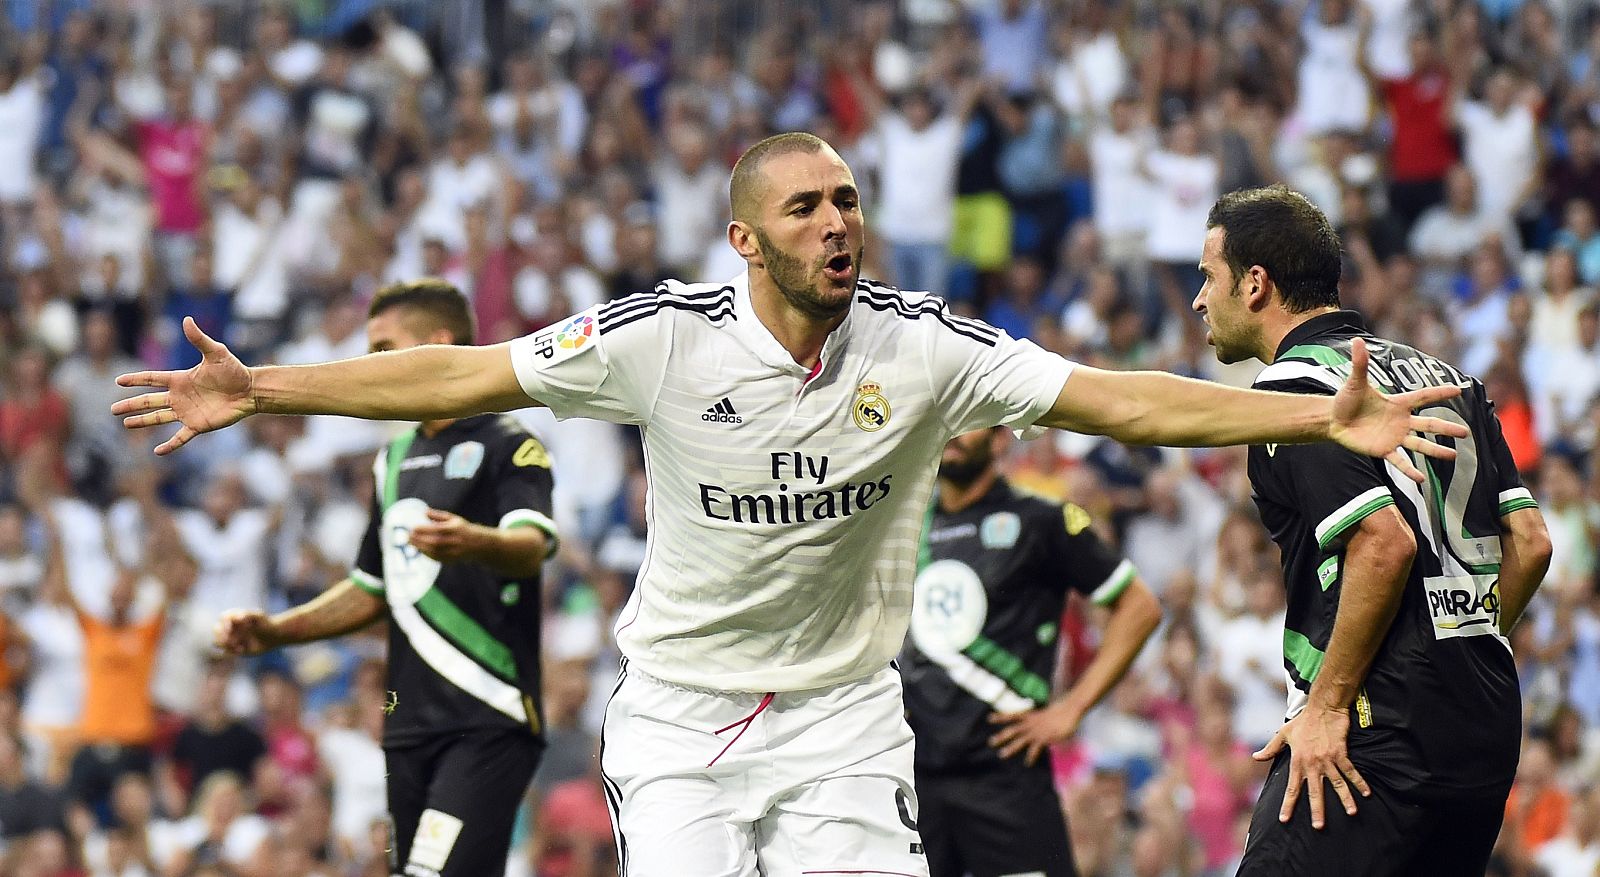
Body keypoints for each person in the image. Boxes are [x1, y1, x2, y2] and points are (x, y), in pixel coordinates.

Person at [118, 133, 1466, 874]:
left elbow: (1124, 401)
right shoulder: (659, 337)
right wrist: (269, 389)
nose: (841, 222)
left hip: (840, 720)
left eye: (852, 201)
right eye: (809, 205)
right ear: (747, 240)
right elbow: (467, 366)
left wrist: (1317, 411)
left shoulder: (924, 343)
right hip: (683, 716)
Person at [1190, 184, 1554, 875]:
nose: (1199, 300)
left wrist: (1326, 705)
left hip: (1375, 731)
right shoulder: (1449, 378)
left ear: (1256, 284)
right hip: (1483, 723)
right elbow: (1531, 543)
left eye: (1209, 278)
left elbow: (1385, 542)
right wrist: (1452, 646)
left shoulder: (1294, 393)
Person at [210, 279, 558, 877]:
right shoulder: (391, 459)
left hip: (486, 714)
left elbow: (533, 546)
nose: (371, 368)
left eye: (382, 349)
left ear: (437, 345)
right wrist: (277, 632)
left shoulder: (508, 442)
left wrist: (477, 542)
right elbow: (374, 587)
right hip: (407, 725)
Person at [902, 425, 1161, 877]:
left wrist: (1072, 708)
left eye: (972, 421)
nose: (954, 434)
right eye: (948, 421)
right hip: (912, 774)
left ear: (1002, 439)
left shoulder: (1041, 520)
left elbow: (1139, 607)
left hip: (1005, 775)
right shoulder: (903, 524)